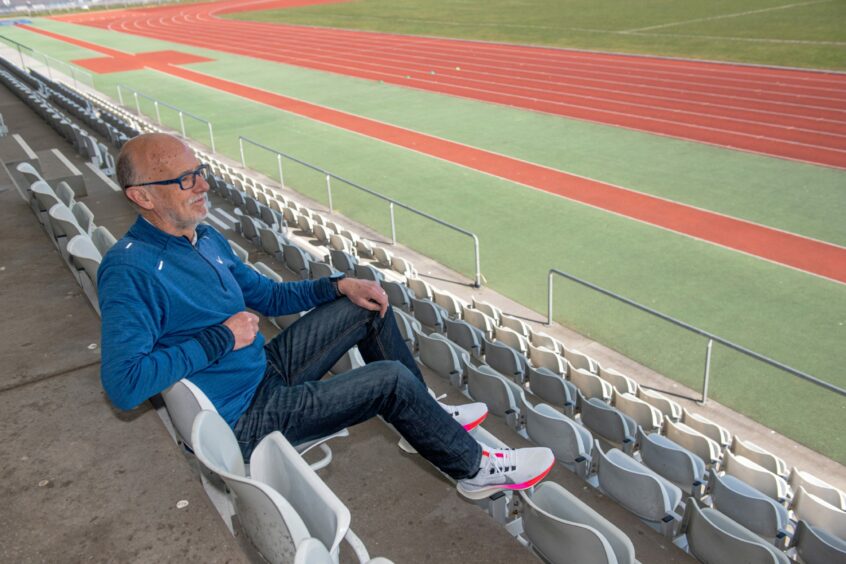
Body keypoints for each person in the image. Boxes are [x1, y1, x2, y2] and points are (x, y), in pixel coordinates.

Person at [97, 132, 553, 500]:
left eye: (199, 172)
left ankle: (428, 417)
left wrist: (337, 285)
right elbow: (125, 384)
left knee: (363, 308)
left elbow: (268, 296)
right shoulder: (129, 270)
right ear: (142, 197)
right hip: (244, 416)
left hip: (263, 372)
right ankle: (475, 468)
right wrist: (220, 338)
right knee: (389, 379)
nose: (203, 185)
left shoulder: (205, 237)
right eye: (184, 180)